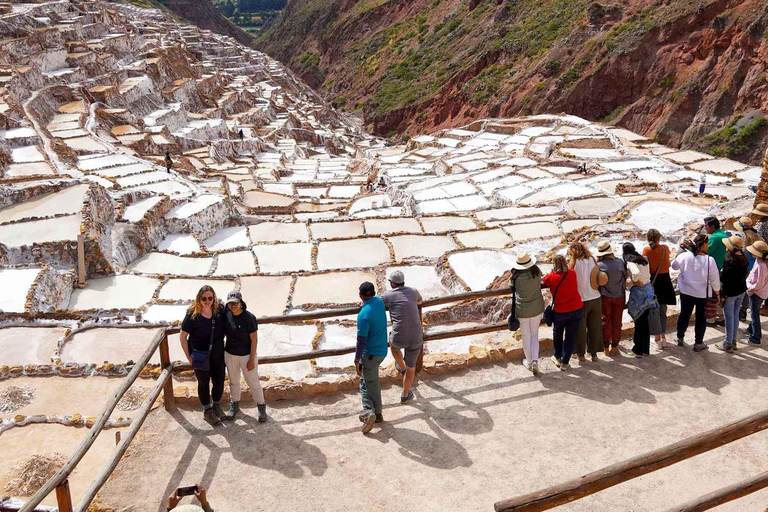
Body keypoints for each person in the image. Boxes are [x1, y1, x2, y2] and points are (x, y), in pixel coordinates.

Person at [180, 286, 227, 426]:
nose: (207, 301)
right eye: (204, 298)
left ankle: (216, 406)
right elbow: (183, 337)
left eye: (210, 298)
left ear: (214, 298)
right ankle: (207, 411)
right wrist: (189, 357)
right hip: (200, 355)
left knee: (219, 381)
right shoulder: (192, 315)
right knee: (204, 383)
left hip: (218, 354)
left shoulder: (219, 311)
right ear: (199, 298)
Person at [222, 291, 266, 422]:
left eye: (235, 303)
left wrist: (252, 359)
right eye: (230, 303)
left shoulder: (249, 318)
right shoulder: (226, 315)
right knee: (234, 382)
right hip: (230, 355)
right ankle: (234, 405)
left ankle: (261, 407)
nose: (233, 306)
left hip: (247, 356)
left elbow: (254, 340)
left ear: (241, 303)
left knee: (253, 382)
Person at [672, 235, 720, 351]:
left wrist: (681, 251)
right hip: (702, 294)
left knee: (684, 315)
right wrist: (717, 294)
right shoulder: (710, 260)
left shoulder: (685, 256)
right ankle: (698, 343)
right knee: (700, 319)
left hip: (686, 292)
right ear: (703, 244)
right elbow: (714, 280)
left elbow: (673, 266)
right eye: (707, 244)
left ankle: (680, 337)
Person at [382, 270, 423, 403]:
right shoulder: (413, 291)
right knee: (413, 367)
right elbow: (420, 301)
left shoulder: (388, 295)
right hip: (417, 335)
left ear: (392, 283)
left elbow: (375, 304)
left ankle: (401, 366)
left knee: (393, 345)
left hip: (399, 336)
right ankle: (405, 394)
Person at [355, 281, 388, 433]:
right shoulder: (380, 302)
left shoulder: (363, 315)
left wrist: (357, 360)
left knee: (365, 383)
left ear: (360, 295)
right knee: (373, 382)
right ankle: (379, 413)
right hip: (382, 350)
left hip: (370, 354)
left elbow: (361, 340)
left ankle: (369, 413)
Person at [541, 255, 583, 371]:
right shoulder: (572, 273)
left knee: (557, 333)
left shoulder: (552, 276)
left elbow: (543, 280)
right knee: (570, 336)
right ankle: (565, 362)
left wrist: (550, 272)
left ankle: (557, 356)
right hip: (576, 309)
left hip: (560, 311)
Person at [509, 252, 544, 375]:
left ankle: (529, 362)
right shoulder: (536, 273)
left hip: (522, 310)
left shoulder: (516, 277)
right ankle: (535, 361)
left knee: (526, 336)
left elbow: (511, 286)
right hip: (536, 308)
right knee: (534, 335)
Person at [568, 241, 602, 362]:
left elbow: (568, 276)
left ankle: (580, 354)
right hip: (596, 298)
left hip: (581, 299)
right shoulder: (592, 259)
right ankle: (594, 354)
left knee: (580, 328)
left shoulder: (574, 262)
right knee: (595, 327)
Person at [643, 229, 676, 349]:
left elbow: (645, 265)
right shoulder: (665, 248)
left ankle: (657, 338)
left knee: (654, 311)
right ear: (658, 238)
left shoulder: (646, 250)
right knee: (663, 310)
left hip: (654, 282)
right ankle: (663, 337)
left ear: (648, 239)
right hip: (665, 282)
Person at [623, 243, 656, 357]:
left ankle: (637, 350)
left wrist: (634, 281)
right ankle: (645, 350)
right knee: (645, 322)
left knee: (638, 321)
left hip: (639, 293)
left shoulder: (630, 262)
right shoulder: (644, 259)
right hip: (648, 291)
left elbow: (636, 273)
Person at [715, 237, 748, 353]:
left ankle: (728, 343)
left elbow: (724, 279)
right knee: (735, 316)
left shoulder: (729, 261)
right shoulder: (744, 258)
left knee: (729, 318)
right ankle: (733, 341)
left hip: (730, 293)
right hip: (741, 291)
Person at [595, 241, 625, 356]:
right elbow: (625, 277)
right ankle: (615, 346)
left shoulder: (599, 266)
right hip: (619, 296)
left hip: (605, 297)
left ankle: (606, 347)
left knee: (605, 321)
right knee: (617, 322)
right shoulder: (620, 262)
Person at [735, 216, 762, 320]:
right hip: (753, 265)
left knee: (740, 288)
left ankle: (737, 310)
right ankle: (743, 310)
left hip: (742, 265)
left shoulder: (740, 236)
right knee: (748, 288)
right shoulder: (757, 235)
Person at [704, 216, 728, 326]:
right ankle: (721, 317)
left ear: (712, 226)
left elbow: (704, 251)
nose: (705, 228)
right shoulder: (723, 234)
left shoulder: (715, 238)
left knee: (711, 295)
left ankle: (711, 319)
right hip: (722, 267)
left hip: (714, 269)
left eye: (706, 226)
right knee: (718, 293)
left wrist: (690, 248)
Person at [745, 241, 768, 346]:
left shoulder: (761, 265)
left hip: (756, 293)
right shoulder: (759, 261)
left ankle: (755, 338)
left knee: (754, 315)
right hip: (758, 292)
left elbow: (759, 283)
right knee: (754, 313)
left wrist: (750, 288)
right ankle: (751, 329)